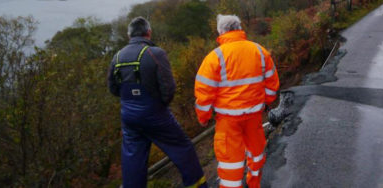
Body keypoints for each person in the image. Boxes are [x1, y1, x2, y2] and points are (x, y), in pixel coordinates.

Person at [108, 17, 207, 188]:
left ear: (128, 35)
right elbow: (169, 88)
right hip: (154, 114)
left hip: (129, 117)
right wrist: (159, 106)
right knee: (183, 148)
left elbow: (113, 88)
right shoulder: (155, 53)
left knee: (133, 161)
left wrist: (131, 102)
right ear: (148, 32)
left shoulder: (116, 57)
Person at [195, 14, 280, 188]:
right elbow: (272, 83)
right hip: (254, 116)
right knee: (256, 155)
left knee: (230, 164)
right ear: (239, 28)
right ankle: (254, 184)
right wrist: (266, 102)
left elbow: (204, 92)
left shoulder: (214, 57)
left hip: (228, 121)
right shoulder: (259, 51)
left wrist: (203, 117)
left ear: (221, 31)